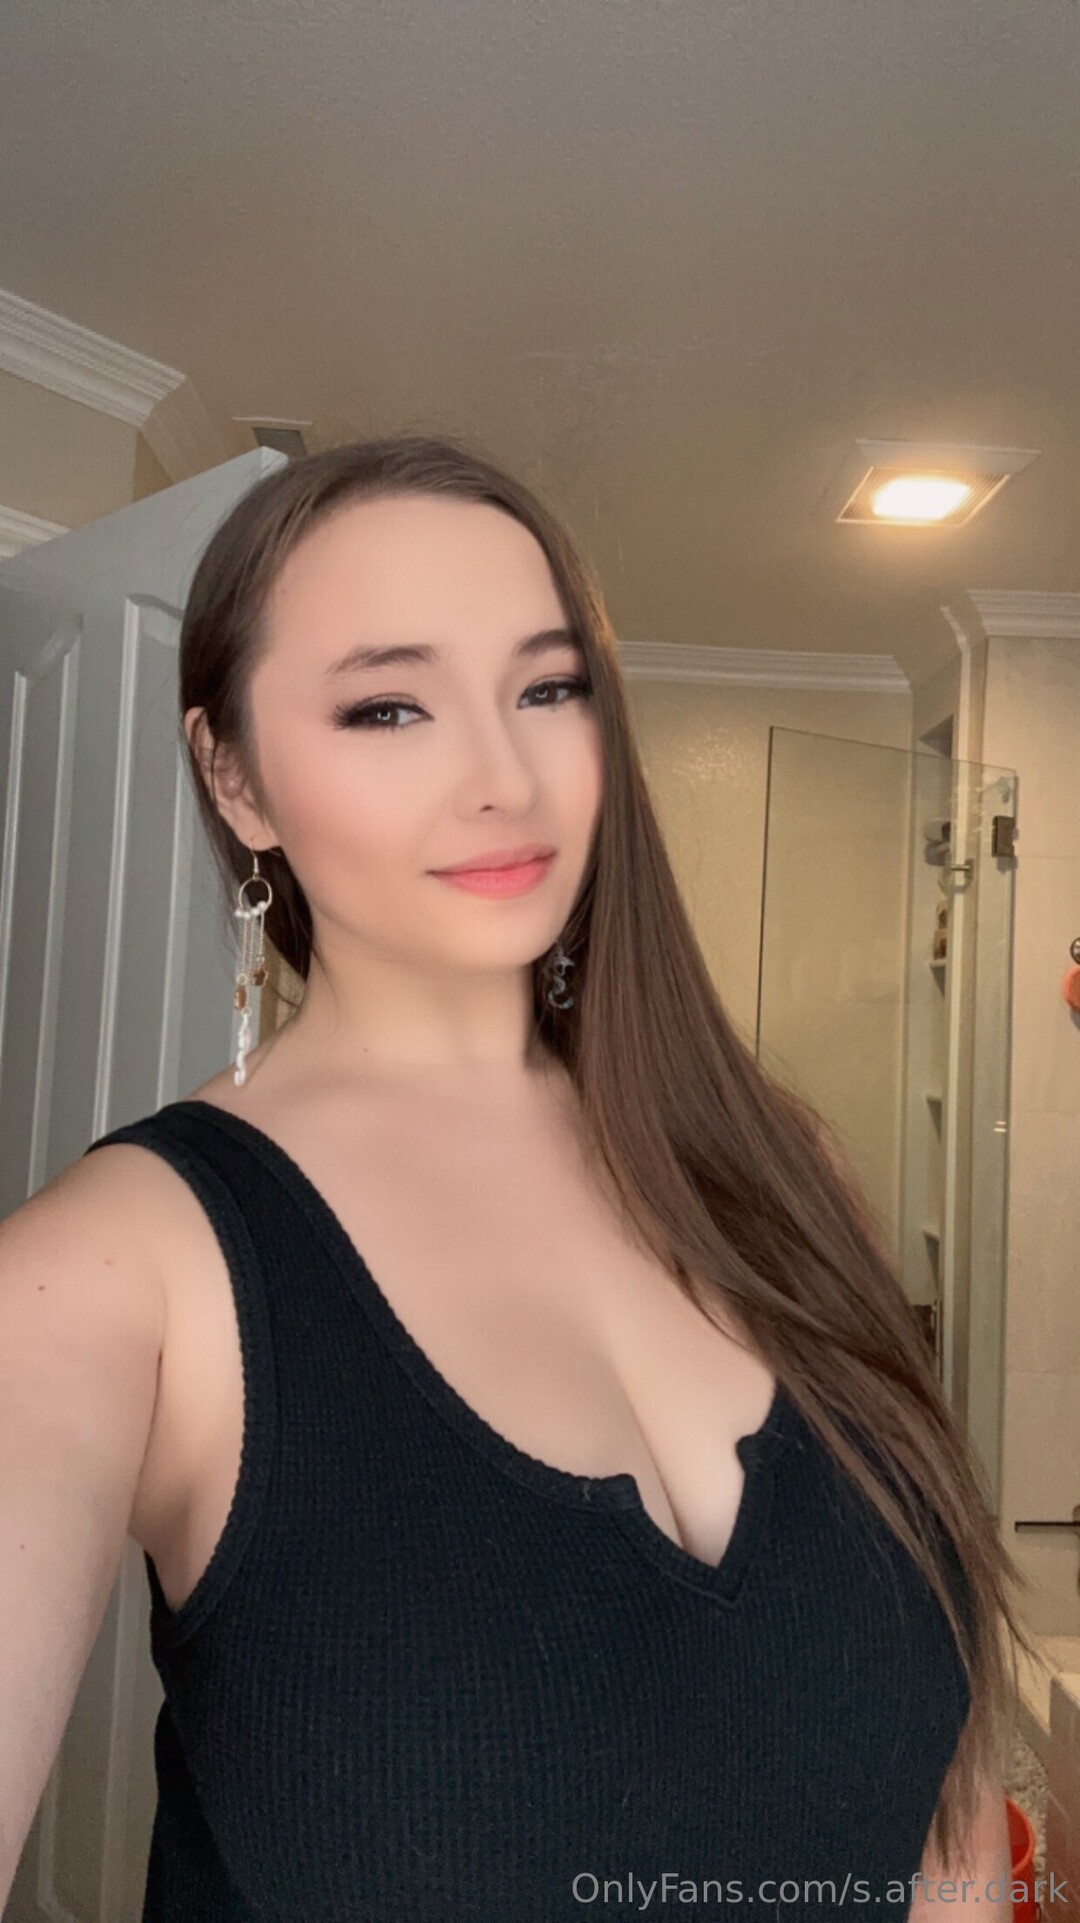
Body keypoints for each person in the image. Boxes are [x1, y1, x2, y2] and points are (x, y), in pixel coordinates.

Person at [2, 433, 1033, 1921]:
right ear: (235, 778)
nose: (504, 778)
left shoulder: (780, 1166)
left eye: (550, 689)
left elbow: (944, 1806)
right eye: (389, 705)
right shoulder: (118, 1270)